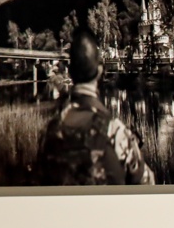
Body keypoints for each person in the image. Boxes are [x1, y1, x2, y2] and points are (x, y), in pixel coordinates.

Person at [37, 26, 155, 186]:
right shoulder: (115, 131)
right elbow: (147, 185)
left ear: (70, 72)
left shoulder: (50, 131)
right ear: (100, 71)